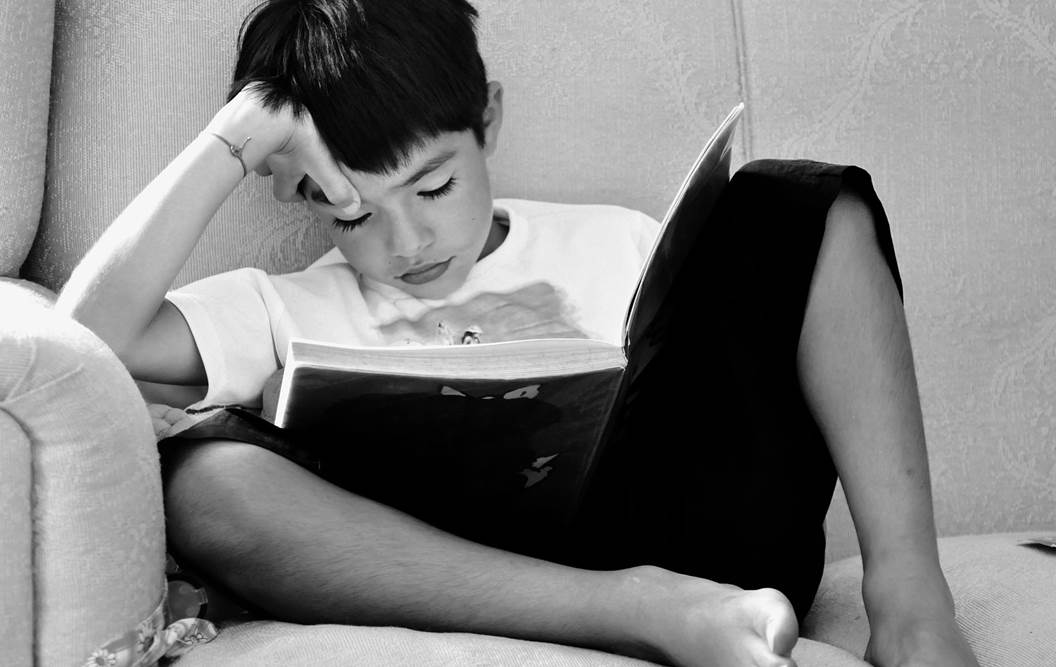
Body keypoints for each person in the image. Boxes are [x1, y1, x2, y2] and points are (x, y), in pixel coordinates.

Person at [57, 1, 979, 665]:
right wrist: (232, 140)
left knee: (802, 200)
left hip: (700, 527)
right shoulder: (287, 306)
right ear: (304, 195)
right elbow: (82, 353)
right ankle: (636, 613)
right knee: (207, 482)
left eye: (432, 187)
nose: (406, 242)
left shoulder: (613, 240)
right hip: (457, 566)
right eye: (354, 214)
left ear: (487, 120)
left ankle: (910, 599)